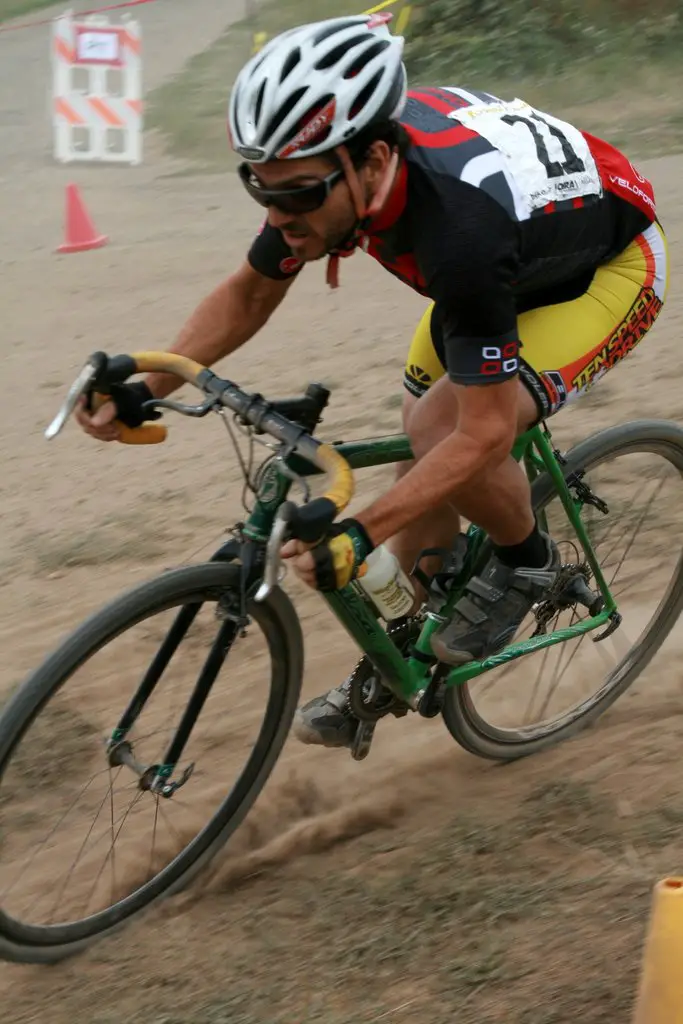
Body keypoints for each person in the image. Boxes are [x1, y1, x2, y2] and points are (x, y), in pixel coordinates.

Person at [77, 14, 668, 750]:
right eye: (258, 190)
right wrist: (147, 380)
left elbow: (480, 431)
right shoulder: (324, 172)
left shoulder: (456, 229)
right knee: (425, 440)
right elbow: (250, 293)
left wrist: (361, 531)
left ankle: (528, 566)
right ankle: (405, 653)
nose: (276, 216)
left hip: (604, 269)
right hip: (512, 257)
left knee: (445, 433)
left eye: (294, 196)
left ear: (372, 161)